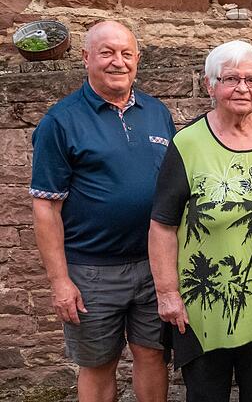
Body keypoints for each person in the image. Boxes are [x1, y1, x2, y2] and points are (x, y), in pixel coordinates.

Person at [148, 40, 252, 402]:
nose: (242, 88)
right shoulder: (187, 144)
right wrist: (167, 293)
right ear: (210, 85)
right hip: (205, 303)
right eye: (231, 78)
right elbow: (162, 225)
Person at [30, 21, 173, 402]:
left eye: (126, 53)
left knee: (152, 354)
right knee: (98, 364)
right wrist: (60, 281)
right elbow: (45, 206)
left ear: (138, 59)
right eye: (107, 52)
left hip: (153, 265)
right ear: (86, 57)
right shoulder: (60, 121)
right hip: (92, 271)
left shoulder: (157, 112)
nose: (118, 62)